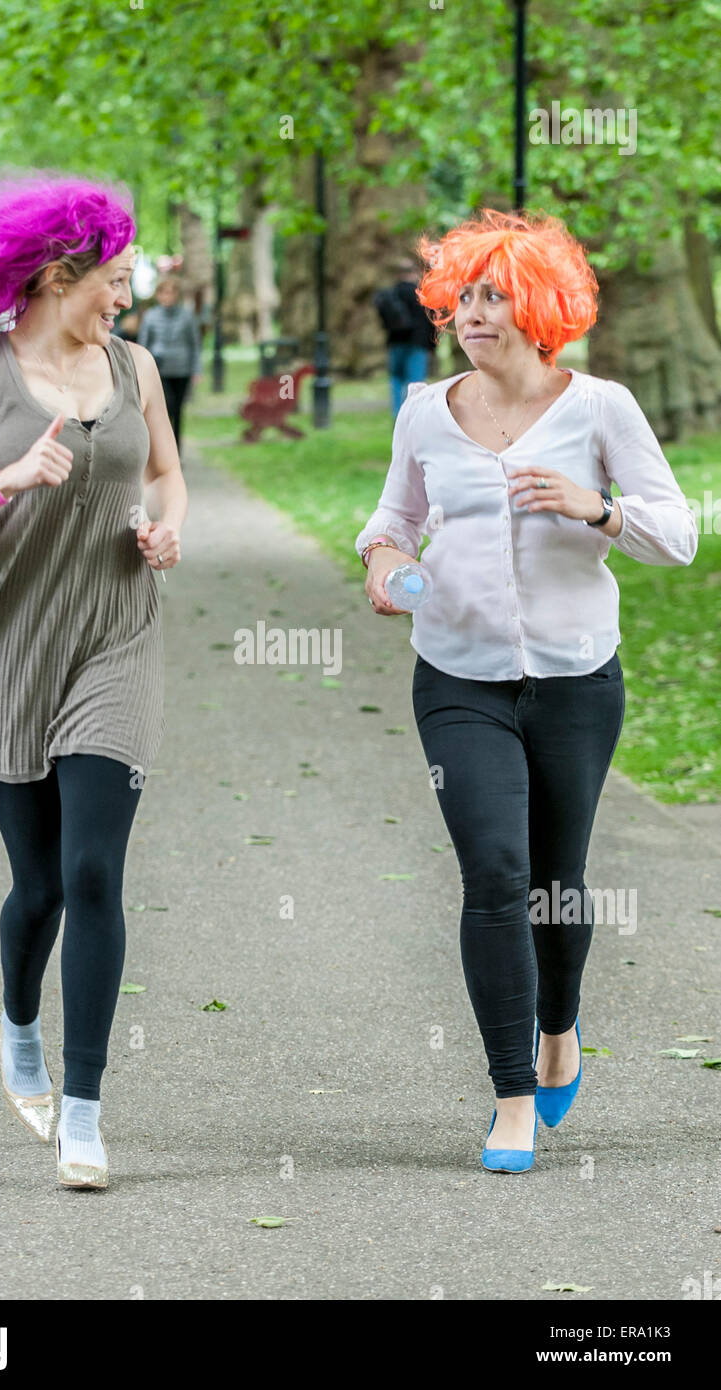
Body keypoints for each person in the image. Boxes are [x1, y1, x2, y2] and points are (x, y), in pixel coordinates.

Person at [357, 208, 698, 1174]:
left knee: (556, 881)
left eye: (493, 294)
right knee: (496, 874)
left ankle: (559, 1028)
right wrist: (384, 561)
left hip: (575, 679)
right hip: (457, 678)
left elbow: (678, 533)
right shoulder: (425, 409)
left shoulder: (601, 409)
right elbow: (392, 517)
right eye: (461, 295)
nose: (472, 312)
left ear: (541, 307)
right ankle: (511, 1093)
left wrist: (595, 506)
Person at [0, 172, 188, 1190]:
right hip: (7, 646)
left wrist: (167, 528)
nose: (125, 293)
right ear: (61, 275)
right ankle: (17, 1020)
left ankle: (83, 1110)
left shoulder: (136, 367)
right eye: (113, 277)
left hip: (114, 635)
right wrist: (6, 479)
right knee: (40, 881)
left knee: (97, 872)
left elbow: (164, 472)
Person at [136, 275, 201, 453]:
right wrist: (142, 371)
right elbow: (143, 345)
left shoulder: (187, 317)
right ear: (158, 295)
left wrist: (196, 370)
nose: (167, 297)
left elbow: (194, 345)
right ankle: (162, 450)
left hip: (182, 370)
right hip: (160, 370)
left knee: (178, 412)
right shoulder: (150, 317)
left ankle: (176, 451)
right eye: (164, 293)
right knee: (165, 410)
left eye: (171, 293)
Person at [373, 257, 438, 418]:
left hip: (396, 343)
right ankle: (412, 415)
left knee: (395, 379)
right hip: (418, 344)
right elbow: (431, 321)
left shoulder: (391, 293)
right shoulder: (422, 295)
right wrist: (432, 346)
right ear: (414, 272)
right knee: (415, 382)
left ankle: (398, 415)